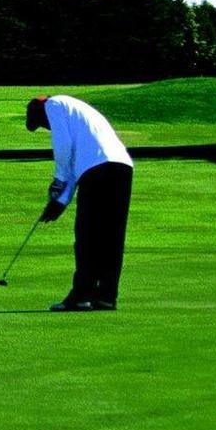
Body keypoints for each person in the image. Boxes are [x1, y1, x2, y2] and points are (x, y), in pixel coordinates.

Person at [26, 94, 134, 312]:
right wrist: (61, 202)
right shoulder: (75, 114)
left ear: (39, 110)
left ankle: (81, 296)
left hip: (98, 170)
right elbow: (77, 167)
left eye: (43, 124)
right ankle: (106, 296)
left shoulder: (53, 105)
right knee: (112, 236)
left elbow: (63, 148)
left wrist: (58, 182)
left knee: (87, 236)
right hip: (122, 167)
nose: (47, 128)